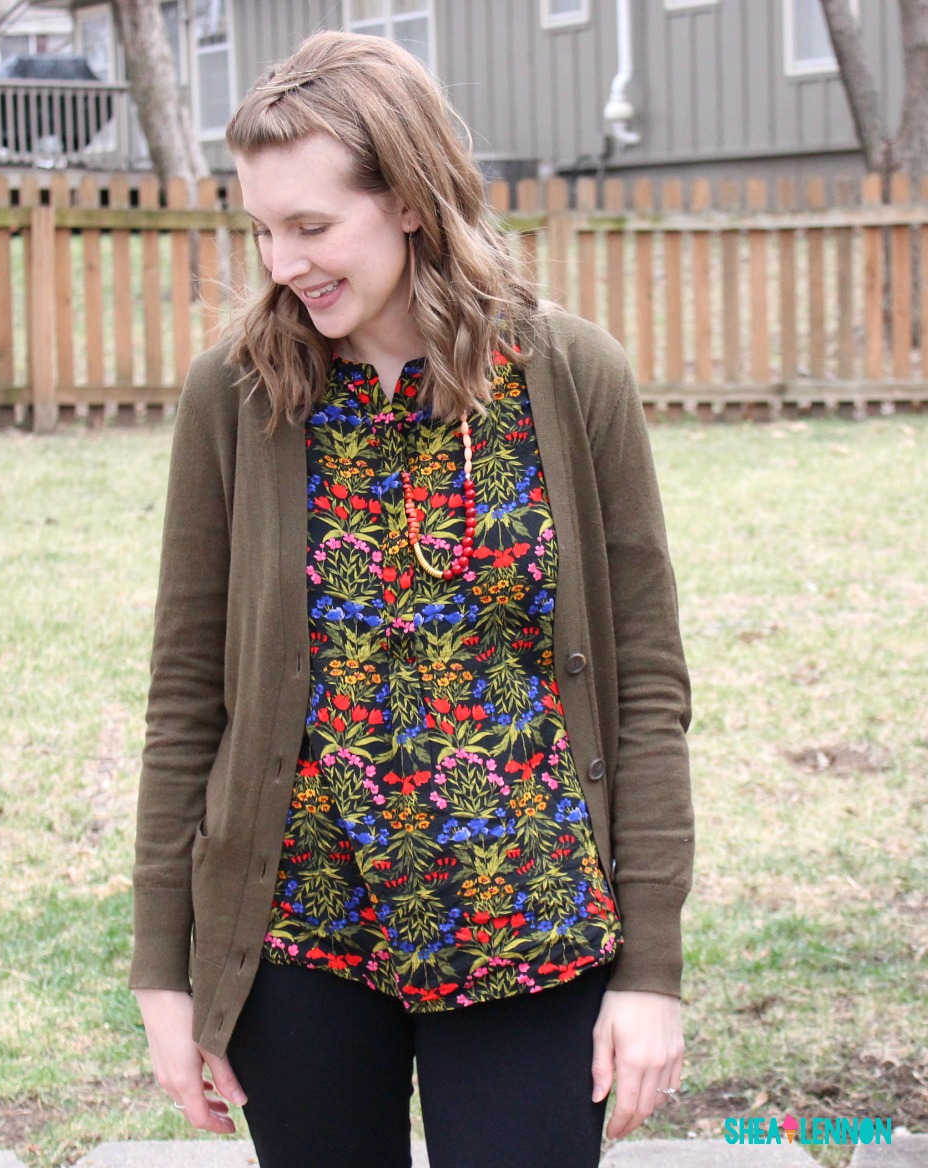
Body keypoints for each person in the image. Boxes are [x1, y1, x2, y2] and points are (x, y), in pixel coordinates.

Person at [130, 29, 693, 1168]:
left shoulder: (569, 374)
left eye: (311, 225)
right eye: (262, 229)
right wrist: (163, 974)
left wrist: (652, 971)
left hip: (529, 921)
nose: (282, 260)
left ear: (412, 203)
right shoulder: (236, 396)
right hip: (304, 934)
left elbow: (644, 684)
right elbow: (187, 691)